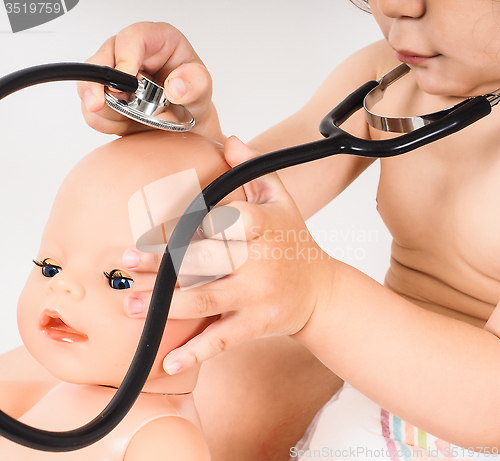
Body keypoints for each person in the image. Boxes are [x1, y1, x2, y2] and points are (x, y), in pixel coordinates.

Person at [13, 0, 500, 459]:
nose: (397, 5)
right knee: (115, 375)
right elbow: (241, 212)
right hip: (366, 348)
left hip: (474, 402)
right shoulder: (389, 78)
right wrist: (182, 137)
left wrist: (319, 297)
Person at [0, 130, 250, 460]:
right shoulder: (45, 386)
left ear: (218, 312)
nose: (63, 286)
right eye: (50, 267)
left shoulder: (161, 440)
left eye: (118, 280)